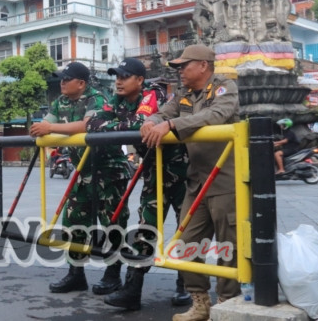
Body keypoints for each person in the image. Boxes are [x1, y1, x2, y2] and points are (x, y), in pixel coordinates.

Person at [140, 44, 240, 321]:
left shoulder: (224, 87)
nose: (179, 70)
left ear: (203, 66)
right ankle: (200, 302)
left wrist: (172, 126)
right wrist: (151, 121)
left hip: (226, 179)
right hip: (196, 181)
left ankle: (227, 304)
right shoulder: (183, 95)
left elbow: (216, 115)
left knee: (229, 246)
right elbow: (162, 113)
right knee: (184, 244)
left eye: (184, 65)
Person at [96, 60, 192, 311]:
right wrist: (120, 127)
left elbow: (140, 125)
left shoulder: (153, 95)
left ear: (139, 80)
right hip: (153, 173)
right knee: (145, 229)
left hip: (182, 173)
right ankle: (132, 289)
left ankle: (187, 285)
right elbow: (94, 124)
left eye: (124, 76)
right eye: (116, 76)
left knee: (187, 229)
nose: (118, 81)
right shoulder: (117, 100)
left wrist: (115, 127)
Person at [29, 61, 120, 295]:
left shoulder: (97, 98)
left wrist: (50, 128)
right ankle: (76, 274)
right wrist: (41, 128)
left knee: (111, 222)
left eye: (66, 79)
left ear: (81, 83)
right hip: (82, 171)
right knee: (74, 221)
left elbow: (87, 126)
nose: (61, 83)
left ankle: (113, 275)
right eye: (61, 79)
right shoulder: (60, 101)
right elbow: (47, 124)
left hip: (107, 169)